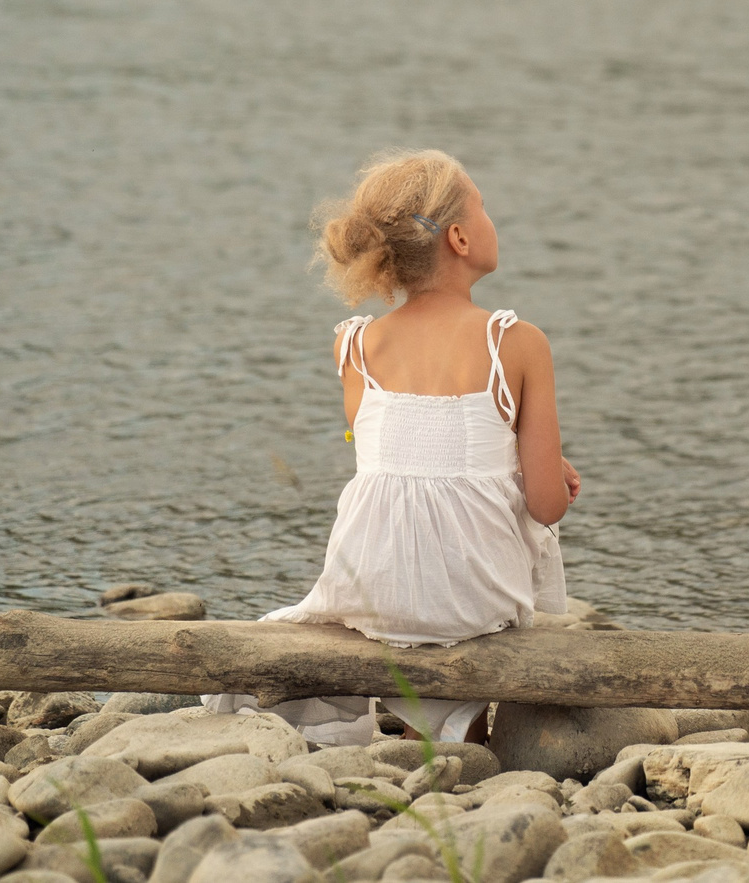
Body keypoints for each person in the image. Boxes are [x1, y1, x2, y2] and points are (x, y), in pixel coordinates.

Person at [213, 148, 578, 745]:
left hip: (371, 592)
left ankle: (427, 738)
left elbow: (386, 454)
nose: (493, 221)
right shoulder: (515, 341)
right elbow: (546, 506)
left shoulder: (355, 346)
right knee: (469, 560)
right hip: (471, 604)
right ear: (459, 238)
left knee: (416, 536)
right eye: (484, 208)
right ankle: (463, 738)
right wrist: (541, 471)